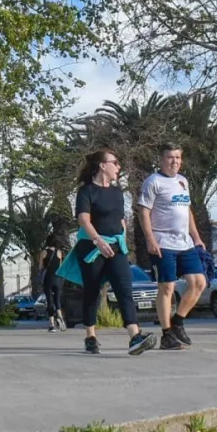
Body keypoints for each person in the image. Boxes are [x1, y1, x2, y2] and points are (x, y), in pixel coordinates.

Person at [57, 149, 156, 356]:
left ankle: (134, 337)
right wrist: (98, 240)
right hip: (91, 247)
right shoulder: (86, 191)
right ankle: (90, 336)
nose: (119, 167)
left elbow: (121, 220)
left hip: (116, 247)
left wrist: (123, 238)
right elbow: (84, 220)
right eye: (116, 162)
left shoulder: (117, 192)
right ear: (103, 165)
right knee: (92, 291)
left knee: (124, 288)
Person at [138, 143, 208, 350]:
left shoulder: (182, 181)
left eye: (178, 157)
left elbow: (187, 212)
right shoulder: (153, 182)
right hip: (163, 243)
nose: (174, 161)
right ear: (161, 159)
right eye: (170, 157)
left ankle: (178, 322)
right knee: (167, 287)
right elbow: (143, 212)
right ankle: (167, 335)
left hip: (185, 243)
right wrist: (150, 239)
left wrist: (196, 237)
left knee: (199, 283)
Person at [40, 234, 65, 332]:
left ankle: (51, 325)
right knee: (57, 300)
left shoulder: (44, 252)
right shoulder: (59, 252)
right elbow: (60, 266)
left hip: (48, 279)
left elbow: (41, 267)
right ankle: (60, 316)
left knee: (50, 301)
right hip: (58, 279)